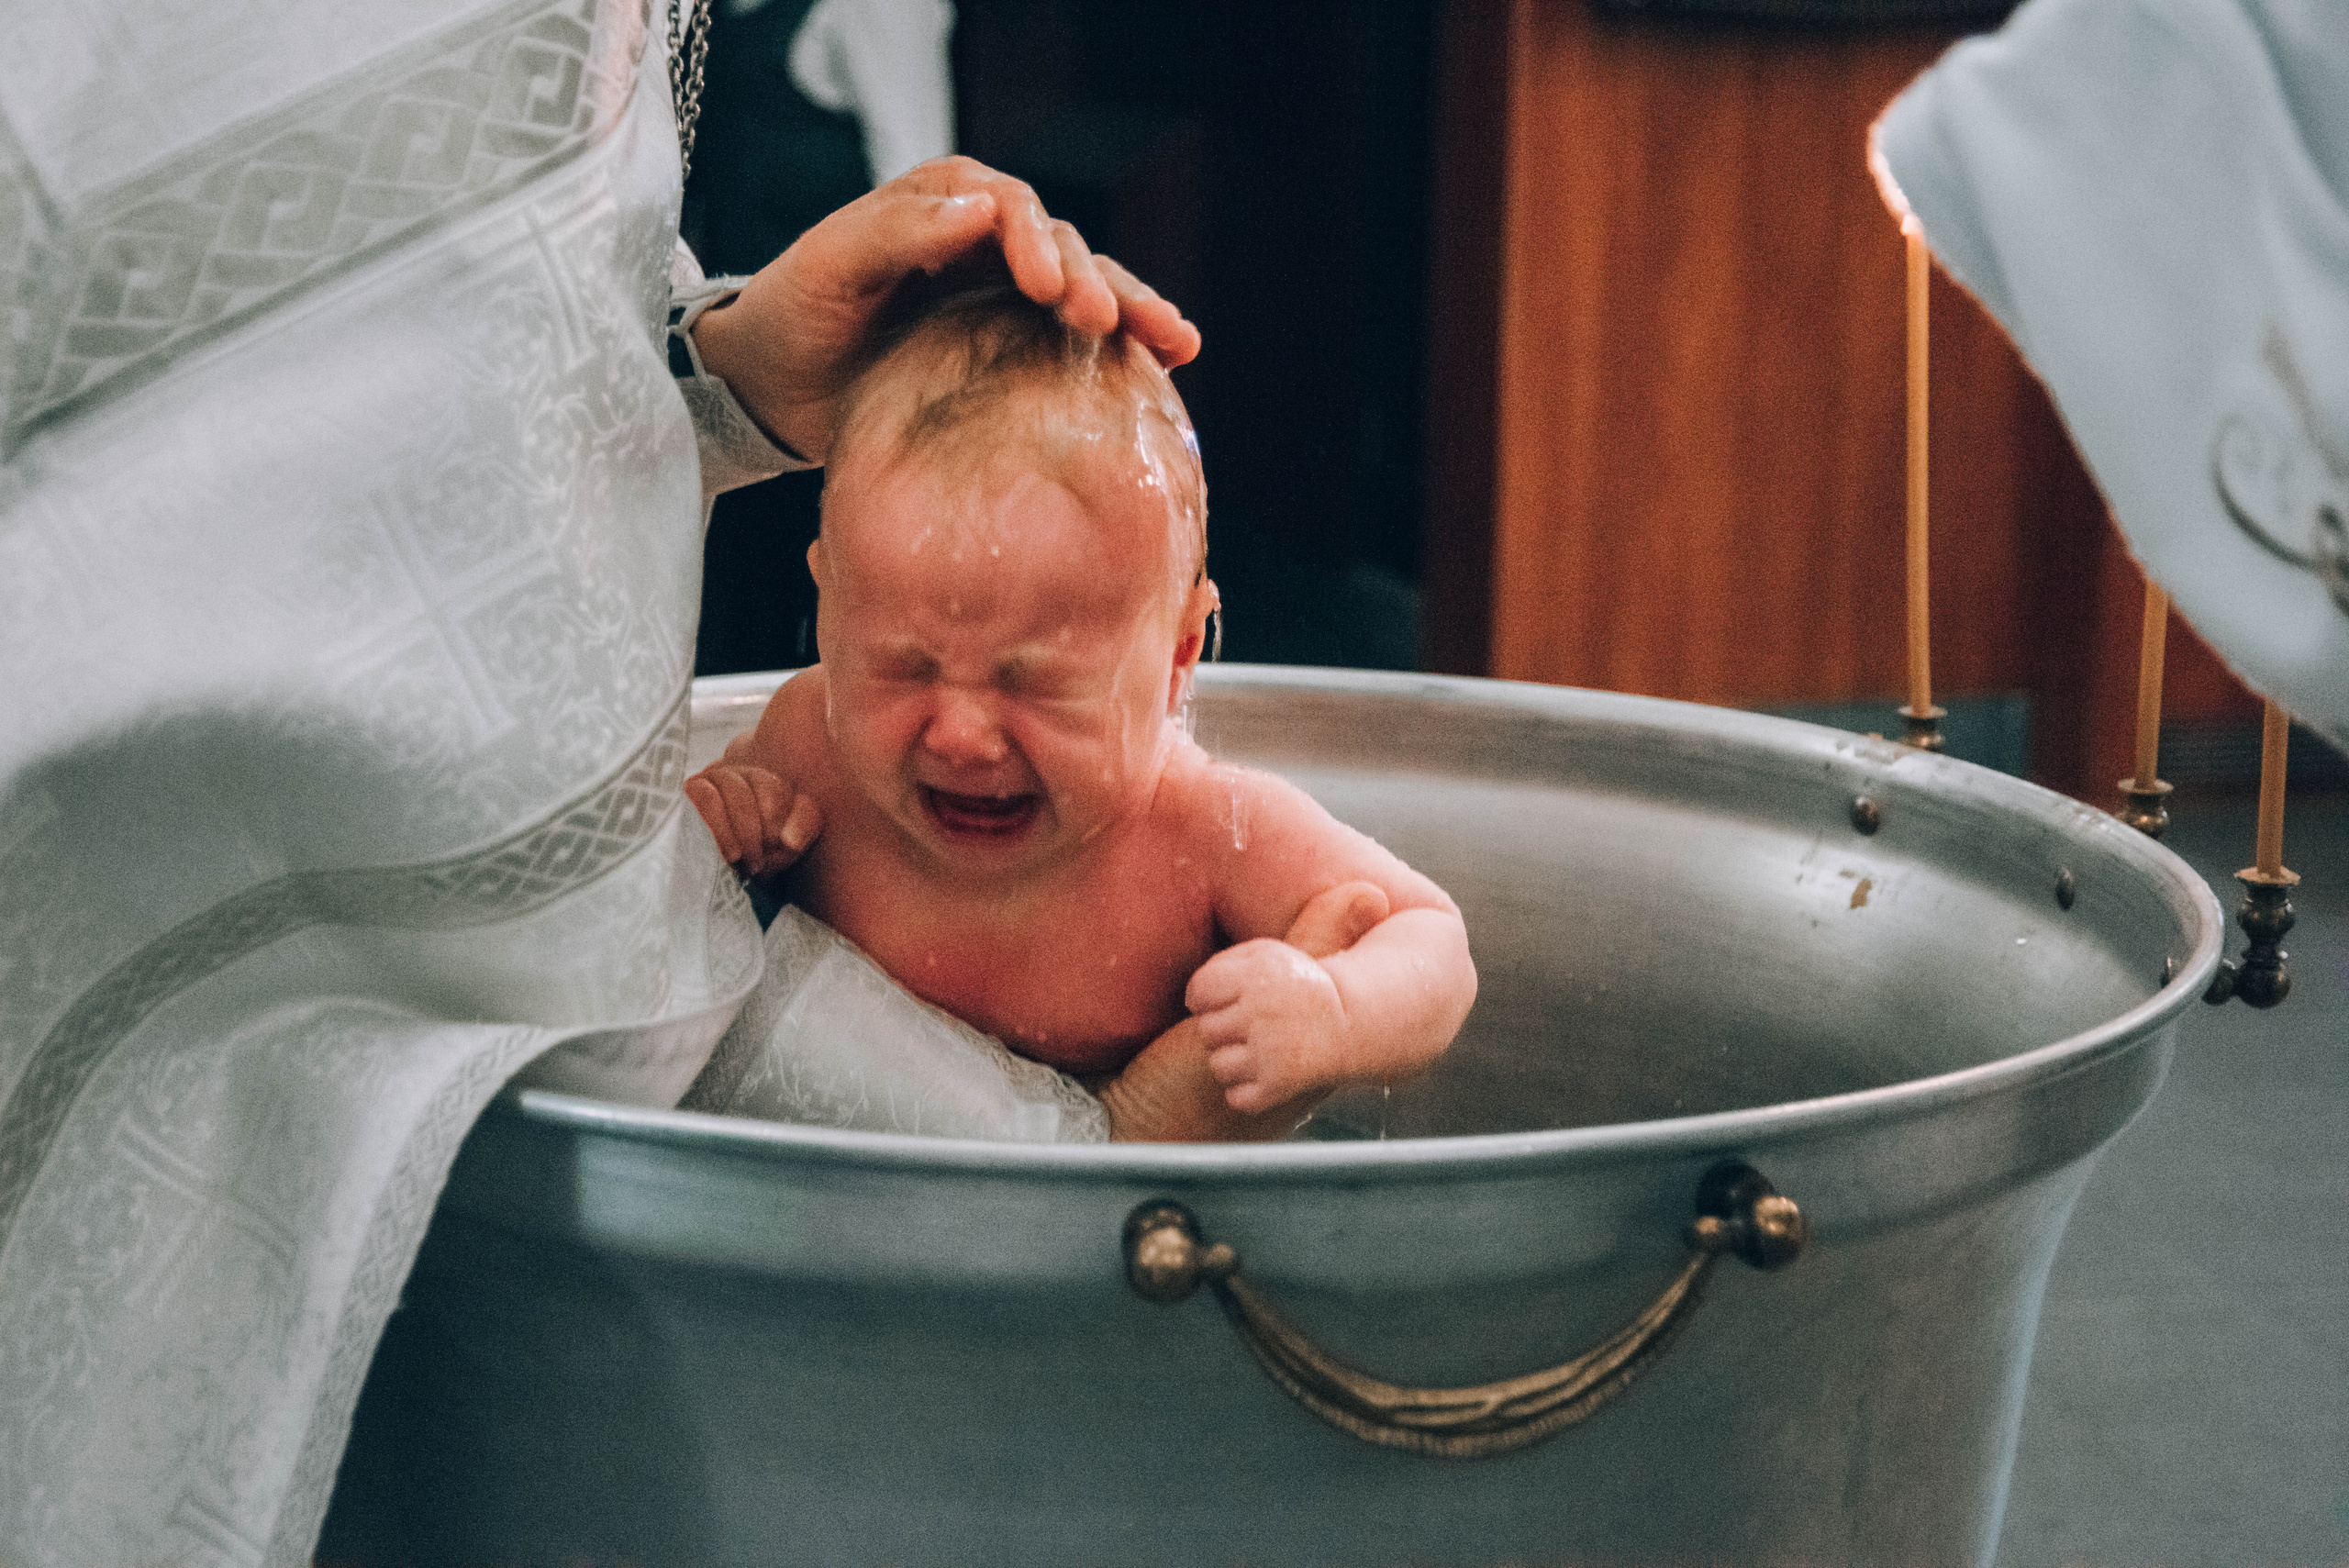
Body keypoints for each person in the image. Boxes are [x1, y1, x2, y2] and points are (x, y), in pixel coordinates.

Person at [682, 277, 1477, 1137]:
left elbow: (1433, 939)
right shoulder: (809, 746)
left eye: (1034, 685)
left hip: (1138, 1247)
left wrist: (1336, 1010)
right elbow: (685, 892)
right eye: (903, 668)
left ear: (1178, 659)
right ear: (830, 610)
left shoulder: (1202, 831)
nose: (961, 734)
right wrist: (726, 820)